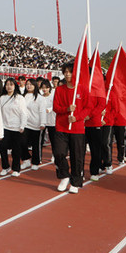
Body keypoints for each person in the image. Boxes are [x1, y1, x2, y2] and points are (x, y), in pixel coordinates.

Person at [52, 62, 89, 194]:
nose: (68, 74)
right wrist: (67, 109)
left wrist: (77, 117)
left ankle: (75, 182)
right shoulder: (59, 90)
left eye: (70, 71)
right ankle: (64, 176)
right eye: (65, 72)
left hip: (77, 128)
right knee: (59, 153)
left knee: (76, 156)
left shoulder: (83, 89)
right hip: (61, 127)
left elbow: (87, 108)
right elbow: (56, 107)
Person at [0, 78, 28, 177]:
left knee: (16, 150)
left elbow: (24, 113)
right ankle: (5, 167)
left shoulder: (20, 98)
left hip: (16, 128)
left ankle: (16, 168)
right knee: (2, 147)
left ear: (15, 86)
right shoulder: (2, 98)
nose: (9, 87)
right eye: (7, 84)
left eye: (11, 84)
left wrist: (22, 125)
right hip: (4, 127)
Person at [23, 79, 46, 169]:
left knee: (36, 145)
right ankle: (26, 159)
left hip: (36, 125)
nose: (28, 86)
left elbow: (42, 111)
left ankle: (35, 162)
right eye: (27, 84)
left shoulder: (40, 98)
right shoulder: (23, 96)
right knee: (22, 142)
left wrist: (43, 123)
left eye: (31, 84)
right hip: (25, 124)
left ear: (35, 86)